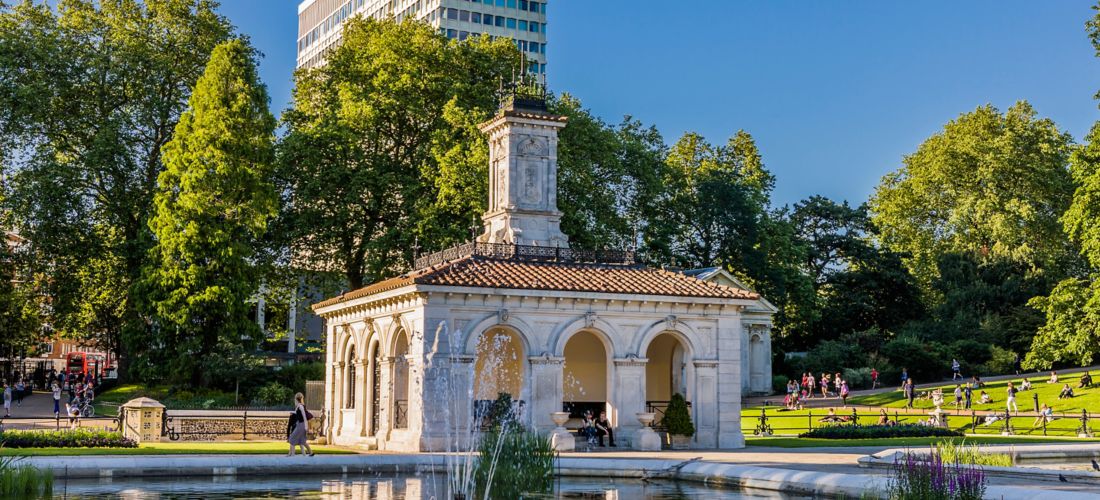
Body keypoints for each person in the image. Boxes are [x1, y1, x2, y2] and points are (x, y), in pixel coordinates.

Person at [286, 392, 314, 457]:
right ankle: (311, 452)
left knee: (292, 438)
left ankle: (292, 454)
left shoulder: (300, 406)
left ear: (296, 399)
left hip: (301, 425)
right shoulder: (299, 406)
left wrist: (306, 427)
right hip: (300, 424)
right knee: (303, 441)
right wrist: (292, 412)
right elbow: (298, 414)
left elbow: (304, 417)